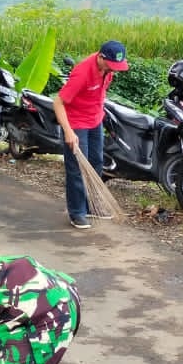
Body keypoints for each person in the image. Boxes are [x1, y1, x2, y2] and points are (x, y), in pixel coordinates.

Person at [54, 40, 129, 230]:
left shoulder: (108, 70)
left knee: (95, 163)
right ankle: (77, 212)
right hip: (76, 123)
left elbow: (100, 94)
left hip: (95, 121)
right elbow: (58, 102)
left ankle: (90, 206)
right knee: (78, 168)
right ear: (101, 57)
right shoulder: (82, 73)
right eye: (112, 65)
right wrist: (69, 131)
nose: (114, 70)